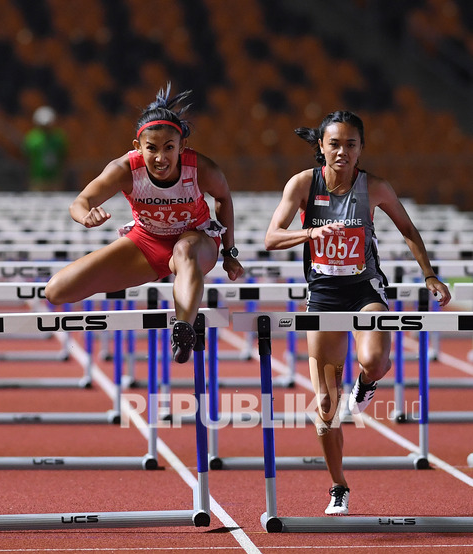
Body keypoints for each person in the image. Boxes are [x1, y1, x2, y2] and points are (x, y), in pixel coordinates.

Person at [264, 110, 451, 516]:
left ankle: (366, 384)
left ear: (361, 149)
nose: (342, 152)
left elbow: (407, 229)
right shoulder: (302, 184)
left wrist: (430, 275)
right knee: (326, 409)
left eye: (351, 144)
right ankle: (338, 485)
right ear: (321, 147)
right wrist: (311, 232)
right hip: (324, 295)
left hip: (364, 289)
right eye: (335, 144)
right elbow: (271, 237)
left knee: (375, 360)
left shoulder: (375, 187)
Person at [44, 84, 244, 363]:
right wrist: (85, 216)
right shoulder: (124, 169)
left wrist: (229, 253)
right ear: (138, 147)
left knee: (184, 251)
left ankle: (183, 328)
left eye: (169, 148)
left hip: (196, 240)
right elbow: (80, 201)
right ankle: (179, 303)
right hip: (147, 243)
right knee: (56, 291)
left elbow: (223, 198)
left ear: (182, 147)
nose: (161, 158)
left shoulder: (201, 168)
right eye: (152, 149)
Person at [22, 105, 68, 191]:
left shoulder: (58, 138)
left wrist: (63, 177)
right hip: (37, 179)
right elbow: (26, 159)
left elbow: (64, 157)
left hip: (55, 179)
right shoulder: (32, 138)